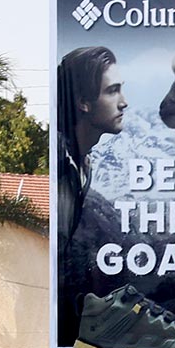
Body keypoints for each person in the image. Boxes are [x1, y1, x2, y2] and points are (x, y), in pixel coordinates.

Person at [55, 45, 125, 243]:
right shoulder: (59, 166)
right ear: (83, 102)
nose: (123, 102)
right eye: (113, 91)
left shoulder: (81, 162)